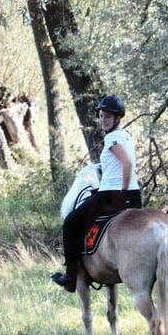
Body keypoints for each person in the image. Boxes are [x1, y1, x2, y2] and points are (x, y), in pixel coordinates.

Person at [51, 95, 142, 292]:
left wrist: (121, 193)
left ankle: (71, 277)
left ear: (118, 118)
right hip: (136, 196)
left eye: (108, 116)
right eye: (101, 116)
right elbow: (120, 165)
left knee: (70, 224)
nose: (103, 120)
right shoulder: (127, 136)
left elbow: (126, 163)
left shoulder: (111, 138)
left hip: (112, 196)